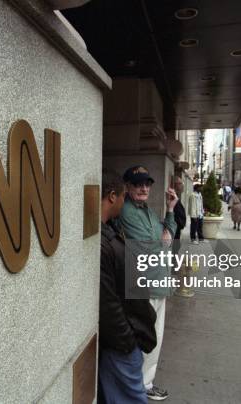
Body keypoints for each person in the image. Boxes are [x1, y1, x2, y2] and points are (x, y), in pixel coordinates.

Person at [119, 165, 178, 402]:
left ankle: (144, 383)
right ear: (128, 187)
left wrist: (171, 210)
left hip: (158, 283)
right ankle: (141, 385)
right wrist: (163, 238)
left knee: (155, 337)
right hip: (145, 286)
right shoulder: (127, 211)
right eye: (138, 184)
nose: (143, 188)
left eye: (147, 184)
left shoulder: (148, 211)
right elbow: (154, 245)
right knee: (147, 338)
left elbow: (166, 237)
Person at [98, 169, 157, 404]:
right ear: (113, 196)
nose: (143, 189)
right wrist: (127, 342)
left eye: (147, 184)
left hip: (130, 331)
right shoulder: (106, 240)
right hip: (122, 343)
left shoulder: (111, 229)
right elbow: (108, 302)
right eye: (124, 195)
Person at [172, 175, 187, 254]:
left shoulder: (176, 196)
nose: (183, 185)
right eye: (180, 183)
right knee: (174, 249)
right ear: (175, 185)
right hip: (174, 229)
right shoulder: (172, 196)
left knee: (176, 248)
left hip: (177, 229)